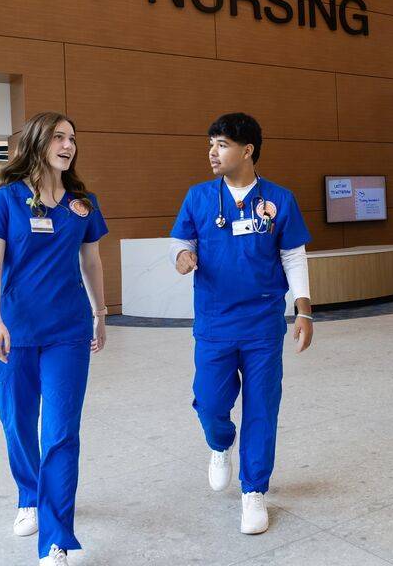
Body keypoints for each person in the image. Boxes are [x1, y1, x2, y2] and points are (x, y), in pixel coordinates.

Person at [170, 112, 313, 535]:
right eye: (211, 144)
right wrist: (181, 256)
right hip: (214, 321)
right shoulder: (198, 197)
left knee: (262, 407)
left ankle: (254, 491)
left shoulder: (279, 199)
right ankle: (219, 443)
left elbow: (293, 256)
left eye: (221, 144)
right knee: (210, 401)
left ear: (247, 150)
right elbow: (183, 239)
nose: (212, 152)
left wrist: (303, 310)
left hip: (263, 322)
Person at [0, 112, 109, 566]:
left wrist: (100, 312)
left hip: (67, 333)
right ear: (37, 142)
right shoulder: (5, 200)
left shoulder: (83, 204)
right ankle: (28, 495)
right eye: (58, 136)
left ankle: (56, 538)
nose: (68, 144)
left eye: (73, 137)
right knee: (16, 422)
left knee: (60, 432)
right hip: (12, 332)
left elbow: (91, 263)